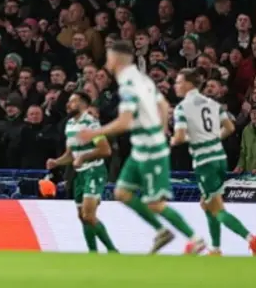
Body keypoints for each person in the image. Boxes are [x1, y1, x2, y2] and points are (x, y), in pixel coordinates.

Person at [77, 41, 204, 255]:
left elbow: (125, 121)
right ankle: (162, 230)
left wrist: (94, 133)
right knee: (122, 192)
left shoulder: (128, 83)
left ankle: (195, 238)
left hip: (150, 150)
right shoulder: (141, 79)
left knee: (154, 202)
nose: (107, 61)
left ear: (116, 59)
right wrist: (162, 128)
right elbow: (163, 104)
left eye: (109, 57)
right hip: (141, 148)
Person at [171, 68, 256, 256]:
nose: (176, 86)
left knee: (216, 208)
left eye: (179, 82)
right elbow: (230, 127)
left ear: (189, 84)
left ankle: (250, 238)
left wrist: (176, 140)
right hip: (219, 158)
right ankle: (215, 248)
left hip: (205, 162)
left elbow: (179, 137)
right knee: (206, 203)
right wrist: (212, 139)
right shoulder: (212, 103)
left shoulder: (182, 107)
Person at [46, 91, 116, 253]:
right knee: (82, 217)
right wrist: (56, 162)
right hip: (80, 174)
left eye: (73, 101)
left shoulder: (91, 123)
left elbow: (105, 150)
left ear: (84, 104)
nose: (68, 104)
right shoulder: (70, 124)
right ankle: (92, 253)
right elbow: (71, 154)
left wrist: (84, 157)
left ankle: (113, 251)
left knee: (88, 215)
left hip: (94, 171)